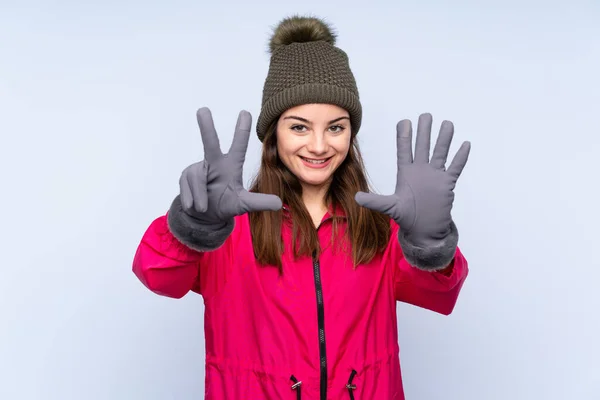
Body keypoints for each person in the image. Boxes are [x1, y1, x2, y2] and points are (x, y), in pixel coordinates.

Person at [132, 14, 471, 400]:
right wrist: (191, 226)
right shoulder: (226, 225)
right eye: (299, 127)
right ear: (273, 132)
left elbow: (441, 296)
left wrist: (432, 242)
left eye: (336, 127)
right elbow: (156, 275)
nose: (319, 145)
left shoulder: (380, 226)